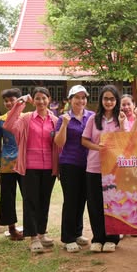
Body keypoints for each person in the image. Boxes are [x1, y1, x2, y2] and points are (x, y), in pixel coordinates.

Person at [82, 85, 137, 253]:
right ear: (101, 100)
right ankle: (98, 238)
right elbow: (84, 140)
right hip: (94, 167)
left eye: (112, 99)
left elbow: (126, 141)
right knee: (95, 204)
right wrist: (98, 148)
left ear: (116, 101)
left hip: (113, 169)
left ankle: (112, 238)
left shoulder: (121, 118)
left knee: (113, 203)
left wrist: (122, 122)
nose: (108, 102)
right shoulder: (93, 119)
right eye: (105, 98)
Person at [5, 87, 60, 253]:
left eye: (44, 98)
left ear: (49, 99)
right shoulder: (26, 118)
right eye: (37, 98)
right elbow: (9, 125)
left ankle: (42, 233)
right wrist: (20, 103)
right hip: (30, 166)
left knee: (44, 200)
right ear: (33, 100)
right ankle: (33, 237)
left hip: (49, 167)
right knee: (31, 202)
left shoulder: (54, 120)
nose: (41, 101)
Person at [54, 85, 95, 253]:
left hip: (88, 164)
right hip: (69, 164)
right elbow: (59, 143)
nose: (80, 100)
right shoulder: (63, 118)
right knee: (71, 200)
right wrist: (65, 124)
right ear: (70, 100)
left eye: (83, 97)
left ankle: (77, 233)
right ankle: (68, 238)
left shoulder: (91, 116)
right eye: (77, 97)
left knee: (82, 200)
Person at [0, 88, 24, 241]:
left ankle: (32, 226)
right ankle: (11, 228)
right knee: (7, 197)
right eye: (6, 101)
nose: (9, 103)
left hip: (25, 162)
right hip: (7, 163)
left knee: (29, 195)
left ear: (20, 101)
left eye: (12, 100)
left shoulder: (27, 117)